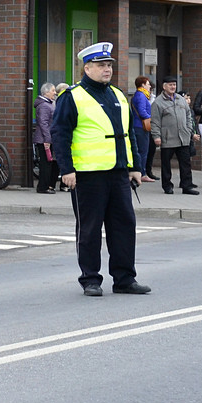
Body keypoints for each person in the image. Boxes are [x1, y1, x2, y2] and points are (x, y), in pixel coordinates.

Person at [51, 42, 148, 297]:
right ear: (87, 68)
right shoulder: (72, 97)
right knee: (90, 229)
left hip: (118, 173)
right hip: (87, 175)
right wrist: (66, 169)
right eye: (101, 65)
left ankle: (125, 278)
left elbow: (129, 135)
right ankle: (90, 279)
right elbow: (60, 135)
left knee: (124, 226)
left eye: (109, 65)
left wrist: (136, 166)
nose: (107, 69)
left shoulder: (117, 95)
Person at [150, 74, 200, 195]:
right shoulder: (158, 102)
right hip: (168, 137)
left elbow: (189, 115)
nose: (173, 87)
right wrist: (156, 136)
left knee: (185, 163)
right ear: (164, 86)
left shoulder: (180, 99)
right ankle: (167, 186)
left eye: (174, 85)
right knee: (166, 164)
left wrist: (189, 129)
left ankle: (187, 186)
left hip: (183, 137)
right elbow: (155, 121)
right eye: (171, 85)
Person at [33, 82, 58, 194]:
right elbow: (43, 123)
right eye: (53, 90)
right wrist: (47, 140)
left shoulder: (48, 103)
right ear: (46, 92)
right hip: (44, 140)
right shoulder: (44, 105)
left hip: (47, 138)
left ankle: (46, 185)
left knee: (48, 164)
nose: (55, 92)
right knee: (45, 164)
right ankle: (43, 187)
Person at [131, 76, 155, 181]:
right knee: (143, 150)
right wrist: (150, 118)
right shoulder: (141, 95)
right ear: (143, 85)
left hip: (137, 125)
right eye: (148, 83)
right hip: (141, 126)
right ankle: (142, 173)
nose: (149, 86)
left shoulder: (138, 95)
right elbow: (141, 111)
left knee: (140, 149)